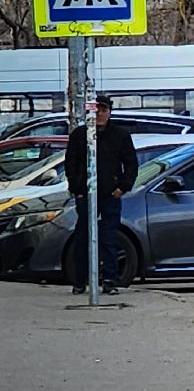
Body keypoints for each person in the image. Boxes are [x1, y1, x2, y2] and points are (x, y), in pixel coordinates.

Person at [65, 94, 137, 294]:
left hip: (109, 195)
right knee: (83, 238)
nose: (100, 115)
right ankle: (80, 281)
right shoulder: (80, 135)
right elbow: (70, 164)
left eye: (103, 110)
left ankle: (110, 281)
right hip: (86, 194)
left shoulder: (120, 135)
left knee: (109, 238)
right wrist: (77, 189)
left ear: (109, 112)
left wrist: (122, 187)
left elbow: (131, 164)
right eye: (96, 110)